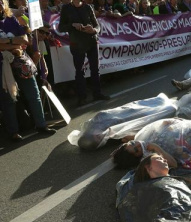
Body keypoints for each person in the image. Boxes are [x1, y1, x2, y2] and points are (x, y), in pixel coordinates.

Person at [0, 0, 56, 141]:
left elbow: (25, 40)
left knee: (33, 93)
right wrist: (14, 43)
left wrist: (6, 42)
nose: (0, 5)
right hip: (3, 64)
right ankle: (13, 132)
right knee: (8, 99)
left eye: (1, 2)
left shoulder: (11, 18)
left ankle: (41, 125)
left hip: (21, 62)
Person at [58, 0, 110, 107]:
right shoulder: (66, 8)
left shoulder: (88, 7)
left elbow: (97, 26)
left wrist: (94, 30)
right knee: (80, 70)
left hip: (91, 41)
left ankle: (97, 93)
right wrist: (72, 25)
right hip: (76, 43)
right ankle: (82, 97)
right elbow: (61, 27)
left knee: (95, 68)